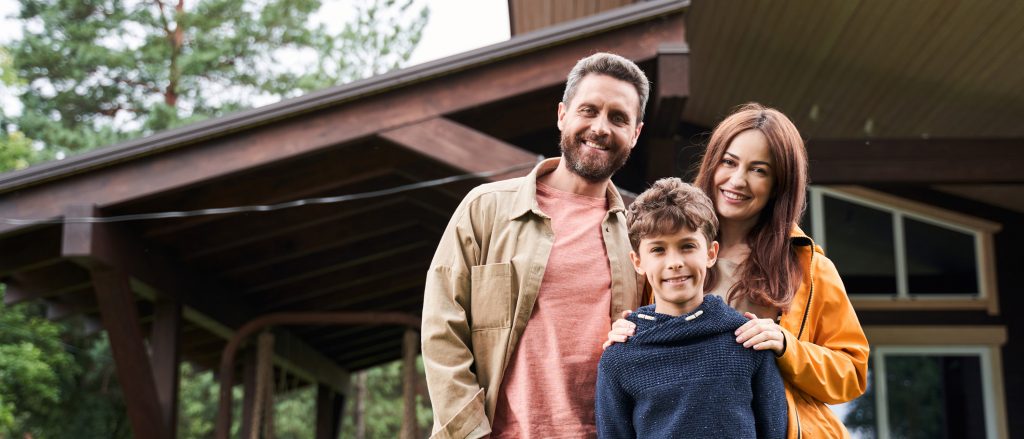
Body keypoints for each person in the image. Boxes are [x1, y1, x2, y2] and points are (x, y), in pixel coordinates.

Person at [604, 103, 870, 438]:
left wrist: (787, 347)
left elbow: (853, 373)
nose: (737, 180)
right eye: (729, 162)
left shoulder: (809, 267)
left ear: (779, 183)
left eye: (759, 170)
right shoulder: (669, 257)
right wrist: (626, 334)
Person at [421, 52, 649, 439]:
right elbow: (442, 328)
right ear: (562, 114)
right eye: (588, 110)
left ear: (636, 133)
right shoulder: (486, 209)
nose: (600, 127)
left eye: (618, 117)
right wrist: (470, 432)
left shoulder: (641, 238)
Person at [595, 178, 788, 439]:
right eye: (658, 250)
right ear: (638, 262)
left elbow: (775, 431)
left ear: (710, 253)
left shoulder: (747, 341)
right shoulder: (620, 358)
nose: (674, 262)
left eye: (687, 246)